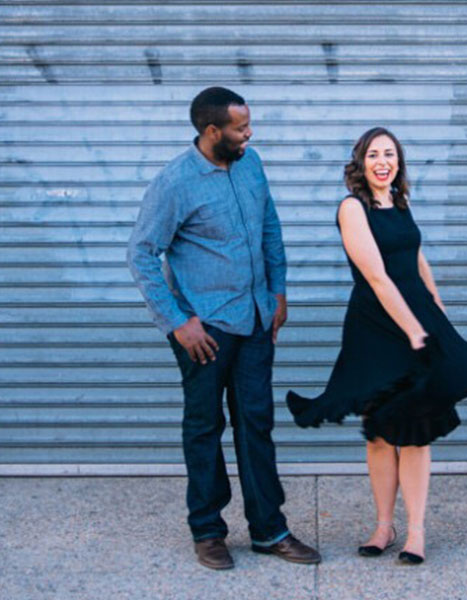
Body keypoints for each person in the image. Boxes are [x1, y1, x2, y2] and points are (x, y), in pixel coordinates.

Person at [287, 127, 467, 565]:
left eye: (390, 154)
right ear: (360, 162)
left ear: (398, 162)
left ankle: (415, 532)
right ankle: (383, 526)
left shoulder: (400, 202)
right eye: (374, 154)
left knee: (415, 430)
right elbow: (377, 276)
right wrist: (413, 329)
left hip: (417, 314)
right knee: (379, 431)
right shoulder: (352, 208)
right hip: (377, 327)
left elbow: (417, 260)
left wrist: (437, 308)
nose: (383, 161)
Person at [127, 87, 320, 570]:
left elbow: (269, 227)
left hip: (255, 319)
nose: (249, 133)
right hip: (206, 329)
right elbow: (141, 254)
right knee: (204, 427)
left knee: (257, 424)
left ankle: (269, 530)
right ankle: (208, 531)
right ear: (212, 131)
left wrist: (278, 291)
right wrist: (177, 323)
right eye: (240, 127)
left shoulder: (251, 165)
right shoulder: (175, 182)